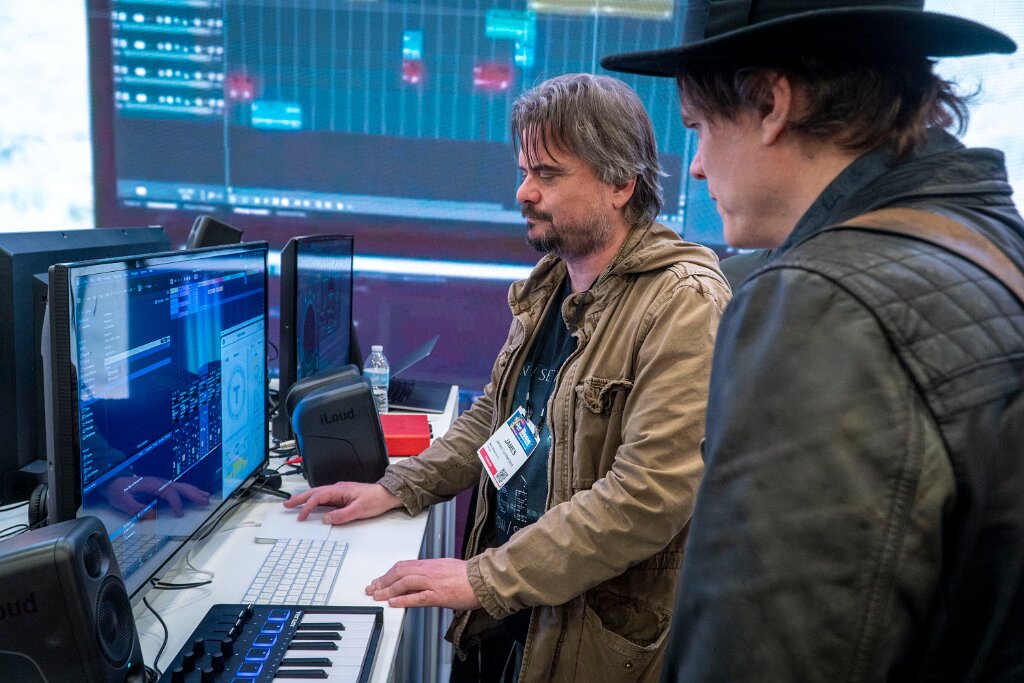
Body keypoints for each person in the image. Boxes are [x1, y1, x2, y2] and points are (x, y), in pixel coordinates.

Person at [601, 1, 1024, 680]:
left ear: (771, 103)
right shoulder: (993, 244)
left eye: (699, 126)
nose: (698, 165)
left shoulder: (822, 300)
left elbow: (763, 654)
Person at [285, 73, 730, 682]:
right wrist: (396, 487)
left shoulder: (684, 303)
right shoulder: (554, 284)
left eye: (547, 174)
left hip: (585, 637)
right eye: (523, 172)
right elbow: (499, 419)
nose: (524, 192)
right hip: (512, 612)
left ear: (621, 183)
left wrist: (483, 577)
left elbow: (646, 499)